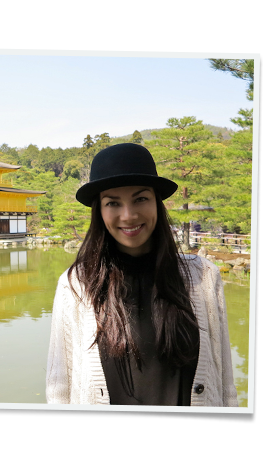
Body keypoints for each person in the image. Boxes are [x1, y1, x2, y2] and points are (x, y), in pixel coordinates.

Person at [46, 143, 238, 406]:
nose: (129, 215)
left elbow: (225, 379)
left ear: (157, 203)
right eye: (113, 202)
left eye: (140, 199)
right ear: (99, 211)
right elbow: (60, 388)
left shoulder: (204, 277)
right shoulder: (76, 285)